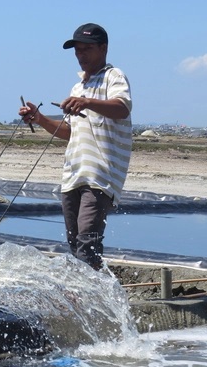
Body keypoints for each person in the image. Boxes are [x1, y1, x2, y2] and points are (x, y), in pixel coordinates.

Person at [19, 23, 132, 270]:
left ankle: (91, 296)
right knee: (74, 242)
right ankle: (81, 294)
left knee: (87, 241)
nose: (81, 56)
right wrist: (39, 118)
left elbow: (122, 108)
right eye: (77, 51)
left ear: (103, 48)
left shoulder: (113, 76)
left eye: (87, 49)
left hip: (99, 176)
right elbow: (68, 131)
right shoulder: (78, 87)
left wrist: (87, 102)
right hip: (73, 174)